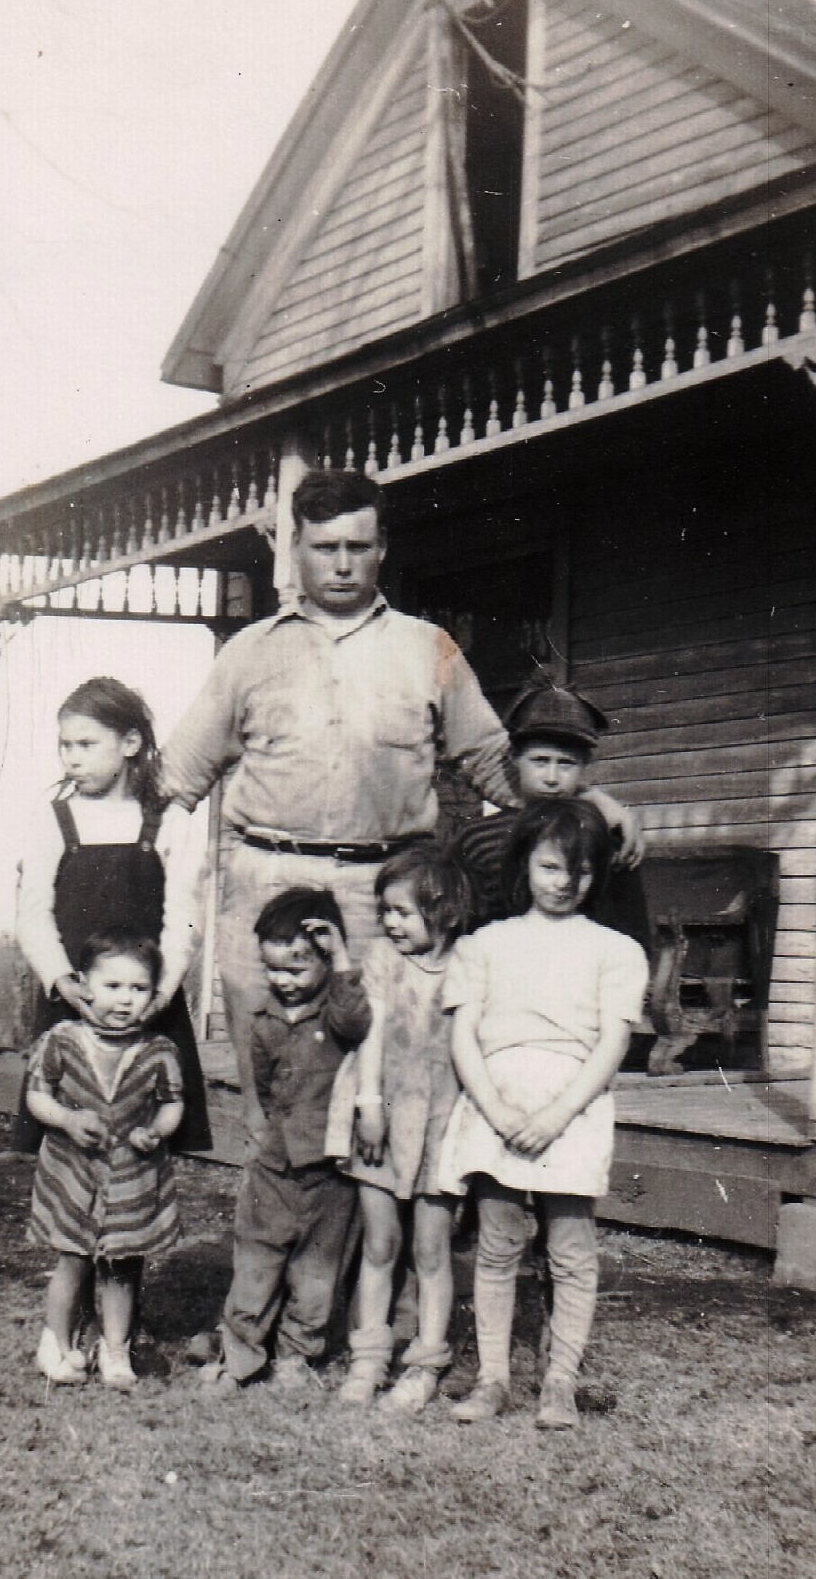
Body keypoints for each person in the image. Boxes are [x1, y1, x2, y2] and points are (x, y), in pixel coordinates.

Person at [158, 470, 639, 1136]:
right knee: (271, 1083)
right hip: (266, 882)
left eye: (358, 546)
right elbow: (177, 777)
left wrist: (591, 804)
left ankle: (375, 1240)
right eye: (325, 547)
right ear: (295, 549)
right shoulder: (248, 653)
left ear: (382, 546)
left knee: (381, 1078)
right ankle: (279, 1231)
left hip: (387, 894)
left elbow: (496, 765)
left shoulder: (429, 649)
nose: (343, 563)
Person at [438, 798, 649, 1431]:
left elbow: (610, 1047)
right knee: (498, 1245)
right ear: (527, 864)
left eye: (580, 873)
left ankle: (560, 1382)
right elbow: (463, 1038)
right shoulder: (484, 945)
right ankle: (494, 1378)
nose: (564, 884)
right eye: (552, 868)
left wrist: (557, 1114)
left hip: (572, 1107)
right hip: (497, 1101)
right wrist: (499, 1110)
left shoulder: (616, 952)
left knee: (571, 1249)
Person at [15, 676, 210, 1155]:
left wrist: (159, 995)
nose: (71, 758)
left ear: (130, 743)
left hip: (146, 1006)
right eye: (64, 746)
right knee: (68, 1138)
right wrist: (62, 981)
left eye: (85, 744)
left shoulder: (169, 821)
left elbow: (184, 916)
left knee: (146, 1142)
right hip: (75, 1002)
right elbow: (33, 913)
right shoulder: (54, 819)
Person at [200, 889, 370, 1390]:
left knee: (317, 1272)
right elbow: (267, 1089)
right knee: (255, 1259)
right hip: (274, 1167)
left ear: (324, 960)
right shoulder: (263, 1023)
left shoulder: (338, 1013)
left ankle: (297, 1356)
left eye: (295, 970)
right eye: (272, 970)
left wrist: (342, 961)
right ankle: (240, 1355)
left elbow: (357, 1021)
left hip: (330, 1171)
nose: (282, 982)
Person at [325, 847, 473, 1412]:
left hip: (441, 1120)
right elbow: (372, 1033)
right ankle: (367, 1360)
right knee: (381, 1242)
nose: (390, 923)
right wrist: (369, 1103)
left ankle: (425, 1362)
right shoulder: (385, 959)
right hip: (382, 1112)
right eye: (385, 911)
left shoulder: (468, 962)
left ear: (446, 914)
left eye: (403, 913)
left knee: (432, 1249)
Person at [25, 931, 187, 1391]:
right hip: (73, 1169)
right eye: (112, 987)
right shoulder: (62, 1040)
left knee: (122, 1266)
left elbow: (172, 1103)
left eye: (138, 990)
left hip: (131, 1173)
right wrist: (67, 1119)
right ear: (84, 984)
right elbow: (38, 1095)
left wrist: (156, 1130)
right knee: (72, 1260)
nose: (124, 1000)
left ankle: (115, 1347)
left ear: (153, 995)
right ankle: (58, 1343)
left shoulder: (158, 1052)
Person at [451, 678, 651, 956]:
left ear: (585, 765)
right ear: (513, 758)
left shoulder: (606, 832)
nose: (552, 778)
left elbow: (631, 934)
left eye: (566, 763)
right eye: (540, 761)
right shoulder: (477, 838)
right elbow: (462, 929)